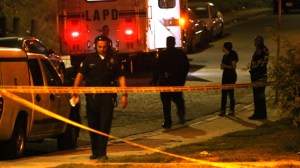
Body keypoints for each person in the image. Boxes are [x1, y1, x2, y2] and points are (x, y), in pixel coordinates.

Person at [72, 36, 127, 160]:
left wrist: (124, 95)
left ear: (108, 46)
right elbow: (80, 75)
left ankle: (102, 152)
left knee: (104, 125)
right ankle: (95, 151)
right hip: (92, 97)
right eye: (99, 47)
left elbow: (121, 77)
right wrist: (75, 90)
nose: (102, 49)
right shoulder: (89, 59)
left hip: (107, 97)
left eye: (104, 47)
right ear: (95, 46)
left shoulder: (114, 59)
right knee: (93, 125)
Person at [152, 36, 190, 129]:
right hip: (177, 81)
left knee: (166, 103)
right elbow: (187, 67)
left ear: (167, 43)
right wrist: (182, 79)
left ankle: (168, 122)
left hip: (165, 82)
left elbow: (157, 68)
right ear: (174, 43)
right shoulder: (181, 54)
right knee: (178, 99)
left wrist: (155, 79)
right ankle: (181, 114)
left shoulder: (162, 54)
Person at [248, 35, 269, 120]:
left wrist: (254, 67)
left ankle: (260, 114)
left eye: (256, 41)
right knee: (257, 95)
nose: (254, 42)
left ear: (259, 42)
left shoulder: (263, 50)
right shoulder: (260, 50)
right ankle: (258, 113)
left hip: (259, 75)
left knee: (259, 95)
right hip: (255, 74)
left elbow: (261, 63)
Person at [219, 42, 239, 116]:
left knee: (231, 93)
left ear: (226, 48)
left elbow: (233, 67)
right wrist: (222, 66)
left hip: (231, 76)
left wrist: (225, 66)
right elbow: (223, 66)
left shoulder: (232, 55)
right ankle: (222, 110)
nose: (222, 48)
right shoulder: (224, 56)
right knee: (224, 94)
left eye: (223, 47)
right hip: (225, 76)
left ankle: (231, 110)